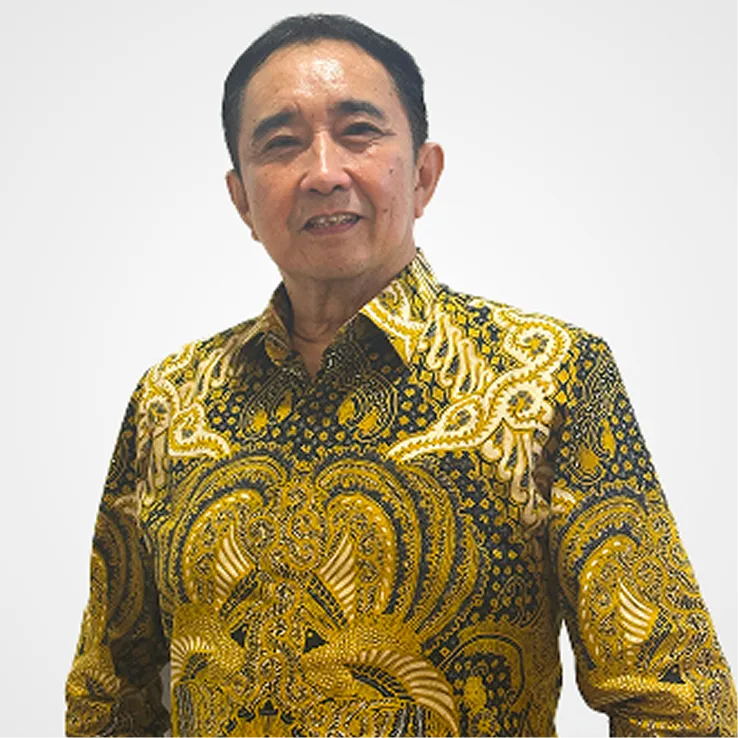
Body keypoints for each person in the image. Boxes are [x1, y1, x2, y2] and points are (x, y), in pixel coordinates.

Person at [65, 13, 737, 738]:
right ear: (242, 200)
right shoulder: (170, 400)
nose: (324, 172)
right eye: (282, 143)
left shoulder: (550, 378)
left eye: (359, 132)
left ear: (423, 174)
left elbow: (676, 703)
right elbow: (111, 699)